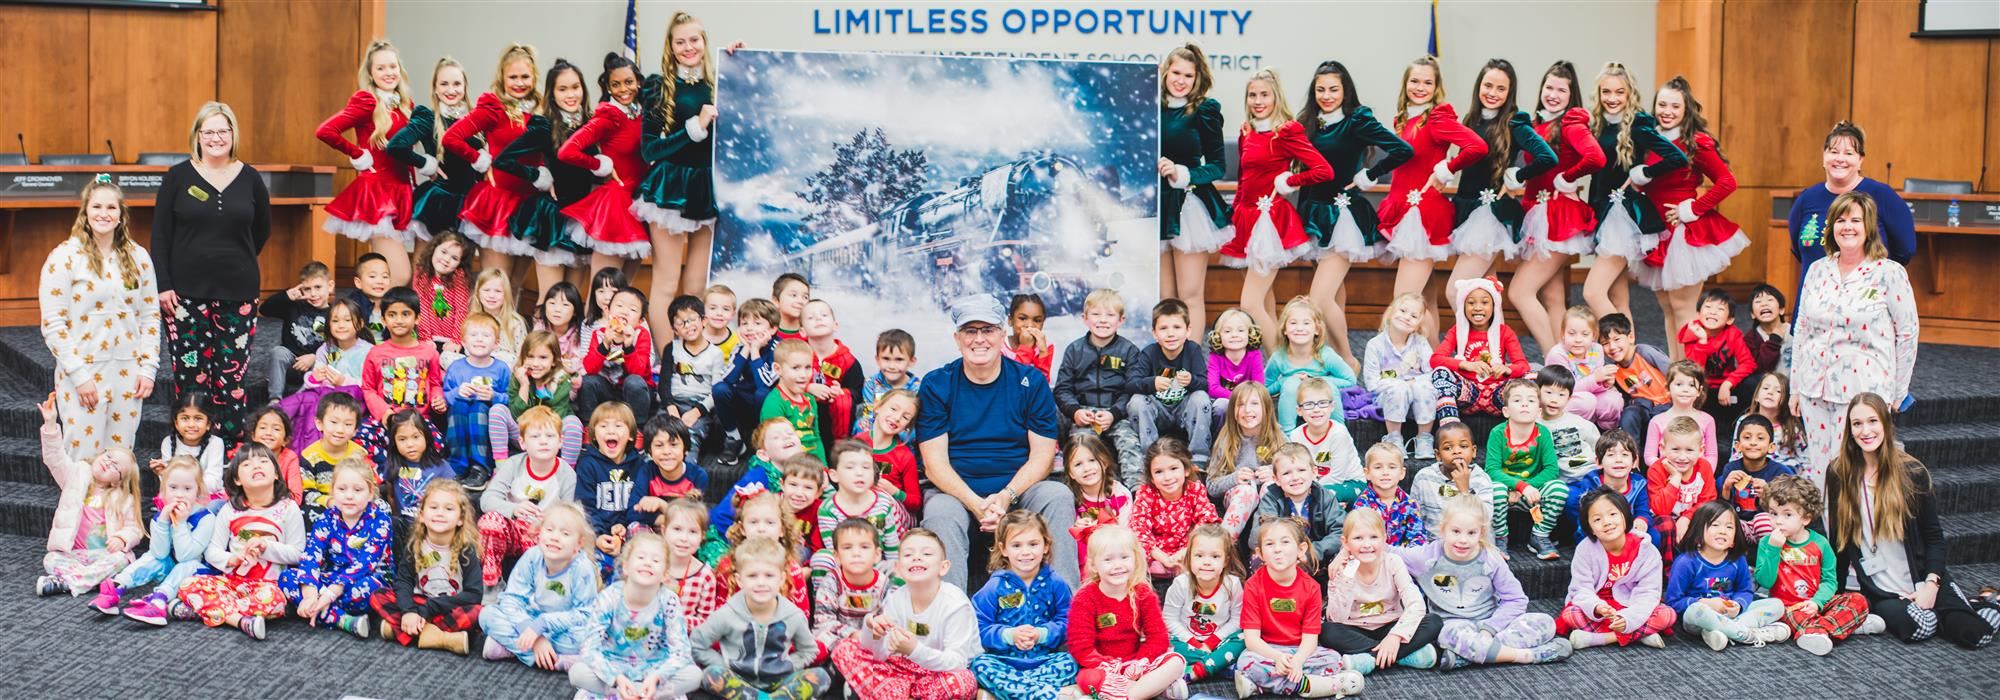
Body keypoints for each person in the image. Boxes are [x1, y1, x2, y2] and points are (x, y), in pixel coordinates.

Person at [917, 295, 1077, 588]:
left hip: (1018, 489)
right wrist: (976, 504)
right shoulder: (937, 383)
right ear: (957, 338)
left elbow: (1042, 456)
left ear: (1003, 334)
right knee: (940, 514)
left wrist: (1006, 496)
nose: (979, 339)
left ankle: (1066, 615)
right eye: (970, 331)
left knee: (1058, 496)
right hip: (956, 492)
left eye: (987, 330)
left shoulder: (1030, 381)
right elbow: (934, 464)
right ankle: (951, 619)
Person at [1826, 393, 1998, 648]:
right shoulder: (1839, 472)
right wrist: (1836, 595)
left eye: (1873, 421)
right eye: (1857, 423)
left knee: (1976, 635)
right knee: (1919, 627)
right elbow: (1839, 539)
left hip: (1923, 578)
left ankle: (1981, 605)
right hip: (1882, 590)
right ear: (1849, 429)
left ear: (1885, 423)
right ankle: (1966, 607)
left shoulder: (1912, 472)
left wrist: (1931, 586)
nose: (1866, 431)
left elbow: (1934, 537)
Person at [153, 101, 270, 440]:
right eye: (209, 131)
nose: (216, 138)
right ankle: (189, 451)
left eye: (223, 131)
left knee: (231, 379)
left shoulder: (249, 178)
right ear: (197, 136)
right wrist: (164, 284)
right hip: (184, 296)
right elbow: (161, 235)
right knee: (191, 376)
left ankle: (228, 451)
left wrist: (235, 261)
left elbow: (261, 230)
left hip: (239, 293)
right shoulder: (177, 176)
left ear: (233, 135)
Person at [1791, 191, 1919, 487]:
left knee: (1859, 478)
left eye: (1855, 220)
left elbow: (1908, 333)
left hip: (1864, 392)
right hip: (1815, 389)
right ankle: (1833, 534)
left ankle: (1860, 535)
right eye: (1841, 220)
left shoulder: (1889, 272)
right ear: (1831, 226)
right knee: (1824, 476)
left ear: (1869, 227)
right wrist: (1795, 387)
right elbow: (1803, 329)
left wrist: (1897, 392)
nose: (1847, 227)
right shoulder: (1817, 270)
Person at [1296, 59, 1411, 369]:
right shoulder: (1308, 121)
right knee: (1334, 296)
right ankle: (1333, 358)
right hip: (1315, 214)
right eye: (1321, 89)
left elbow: (1402, 150)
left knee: (1318, 300)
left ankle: (1348, 360)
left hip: (1344, 217)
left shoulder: (1357, 120)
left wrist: (1371, 174)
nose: (1327, 95)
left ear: (1345, 91)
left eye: (1334, 89)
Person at [41, 177, 160, 460]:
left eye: (111, 207)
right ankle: (81, 508)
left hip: (128, 374)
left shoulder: (138, 257)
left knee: (119, 460)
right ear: (85, 211)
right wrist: (81, 377)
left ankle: (114, 508)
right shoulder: (65, 257)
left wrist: (148, 368)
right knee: (83, 460)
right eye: (96, 206)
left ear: (121, 214)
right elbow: (53, 325)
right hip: (83, 373)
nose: (103, 213)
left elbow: (150, 318)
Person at [1631, 76, 1746, 355]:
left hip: (1685, 234)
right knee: (1669, 310)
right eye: (1662, 104)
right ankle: (1677, 373)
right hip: (1656, 232)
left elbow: (1727, 182)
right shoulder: (1649, 140)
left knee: (1684, 309)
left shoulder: (1696, 143)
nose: (1667, 111)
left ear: (1686, 110)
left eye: (1674, 106)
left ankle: (1694, 380)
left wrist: (1692, 209)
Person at [1221, 68, 1334, 340]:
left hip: (1269, 221)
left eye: (1264, 95)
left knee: (1249, 303)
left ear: (1276, 97)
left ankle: (1285, 362)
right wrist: (1232, 218)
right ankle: (1276, 370)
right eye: (1252, 95)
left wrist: (1291, 180)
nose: (1258, 101)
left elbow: (1323, 170)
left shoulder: (1286, 131)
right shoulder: (1247, 132)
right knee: (1265, 303)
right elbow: (1243, 179)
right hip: (1246, 220)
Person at [1394, 495, 1570, 670]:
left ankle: (1470, 656)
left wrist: (1489, 630)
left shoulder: (1491, 559)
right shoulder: (1426, 557)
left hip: (1493, 624)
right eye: (1456, 531)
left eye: (1471, 533)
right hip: (1455, 627)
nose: (1463, 540)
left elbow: (1516, 599)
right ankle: (1527, 656)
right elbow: (1388, 552)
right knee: (1447, 635)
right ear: (1442, 529)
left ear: (1482, 533)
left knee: (1545, 622)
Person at [1378, 56, 1488, 337]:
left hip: (1422, 216)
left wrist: (1446, 169)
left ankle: (1407, 366)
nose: (1420, 87)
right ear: (1405, 84)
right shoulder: (1404, 118)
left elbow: (1476, 146)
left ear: (1437, 87)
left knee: (1403, 304)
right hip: (1403, 209)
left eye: (1428, 82)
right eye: (1414, 81)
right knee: (1423, 302)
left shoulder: (1438, 117)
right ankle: (1435, 360)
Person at [1512, 60, 1606, 352]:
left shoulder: (1570, 123)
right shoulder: (1538, 123)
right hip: (1538, 212)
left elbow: (1596, 158)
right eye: (1549, 87)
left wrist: (1568, 177)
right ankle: (1565, 366)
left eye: (1561, 90)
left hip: (1558, 214)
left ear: (1570, 94)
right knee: (1552, 296)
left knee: (1520, 291)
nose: (1553, 94)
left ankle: (1553, 359)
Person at [1582, 62, 1685, 322]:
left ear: (1629, 94)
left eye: (1619, 92)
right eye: (1606, 92)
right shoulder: (1597, 125)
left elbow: (1677, 157)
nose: (1612, 98)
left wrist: (1645, 172)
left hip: (1623, 217)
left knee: (1593, 292)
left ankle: (1622, 348)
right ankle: (1629, 362)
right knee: (1618, 299)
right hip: (1602, 212)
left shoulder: (1638, 125)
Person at [1446, 58, 1555, 286]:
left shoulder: (1514, 122)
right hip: (1465, 208)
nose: (1492, 93)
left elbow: (1548, 157)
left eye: (1501, 88)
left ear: (1510, 92)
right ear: (1479, 86)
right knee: (1486, 292)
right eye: (1488, 86)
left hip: (1488, 216)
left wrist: (1518, 175)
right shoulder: (1472, 119)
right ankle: (1496, 324)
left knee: (1457, 291)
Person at [317, 40, 416, 279]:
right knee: (400, 276)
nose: (389, 72)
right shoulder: (367, 101)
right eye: (381, 68)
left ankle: (375, 317)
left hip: (401, 192)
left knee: (381, 277)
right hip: (378, 195)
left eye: (392, 66)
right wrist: (358, 153)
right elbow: (325, 131)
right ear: (371, 74)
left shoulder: (406, 105)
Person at [1787, 121, 1915, 305]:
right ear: (1824, 157)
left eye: (1849, 153)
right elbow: (1799, 252)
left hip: (1864, 311)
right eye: (1834, 151)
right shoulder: (1807, 198)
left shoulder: (1882, 195)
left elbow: (1905, 250)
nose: (1840, 159)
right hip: (1813, 310)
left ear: (1860, 160)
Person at [1157, 44, 1231, 337]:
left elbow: (1217, 166)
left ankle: (1191, 369)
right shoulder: (1152, 109)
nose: (1180, 80)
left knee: (1189, 295)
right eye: (1176, 72)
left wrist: (1182, 172)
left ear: (1197, 78)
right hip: (1159, 205)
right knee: (1165, 297)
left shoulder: (1205, 110)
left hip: (1189, 205)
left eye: (1188, 75)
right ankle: (1168, 368)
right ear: (1165, 71)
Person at [968, 511, 1078, 700]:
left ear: (1046, 546)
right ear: (1003, 549)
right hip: (1004, 662)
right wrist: (1009, 635)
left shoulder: (1056, 584)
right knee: (979, 665)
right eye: (1016, 545)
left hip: (1045, 661)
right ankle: (1048, 695)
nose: (1025, 552)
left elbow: (1068, 621)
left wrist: (1042, 633)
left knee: (1072, 662)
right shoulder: (994, 587)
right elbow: (979, 627)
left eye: (1033, 544)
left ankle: (1010, 693)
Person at [1560, 487, 1674, 649]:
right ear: (1589, 527)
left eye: (1613, 514)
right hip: (1601, 609)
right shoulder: (1585, 549)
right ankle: (1640, 634)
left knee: (1667, 614)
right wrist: (1598, 607)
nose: (1607, 522)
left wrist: (1629, 619)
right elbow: (1580, 589)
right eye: (1597, 519)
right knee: (1570, 614)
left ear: (1625, 517)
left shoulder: (1646, 550)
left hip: (1631, 604)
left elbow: (1648, 592)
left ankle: (1601, 638)